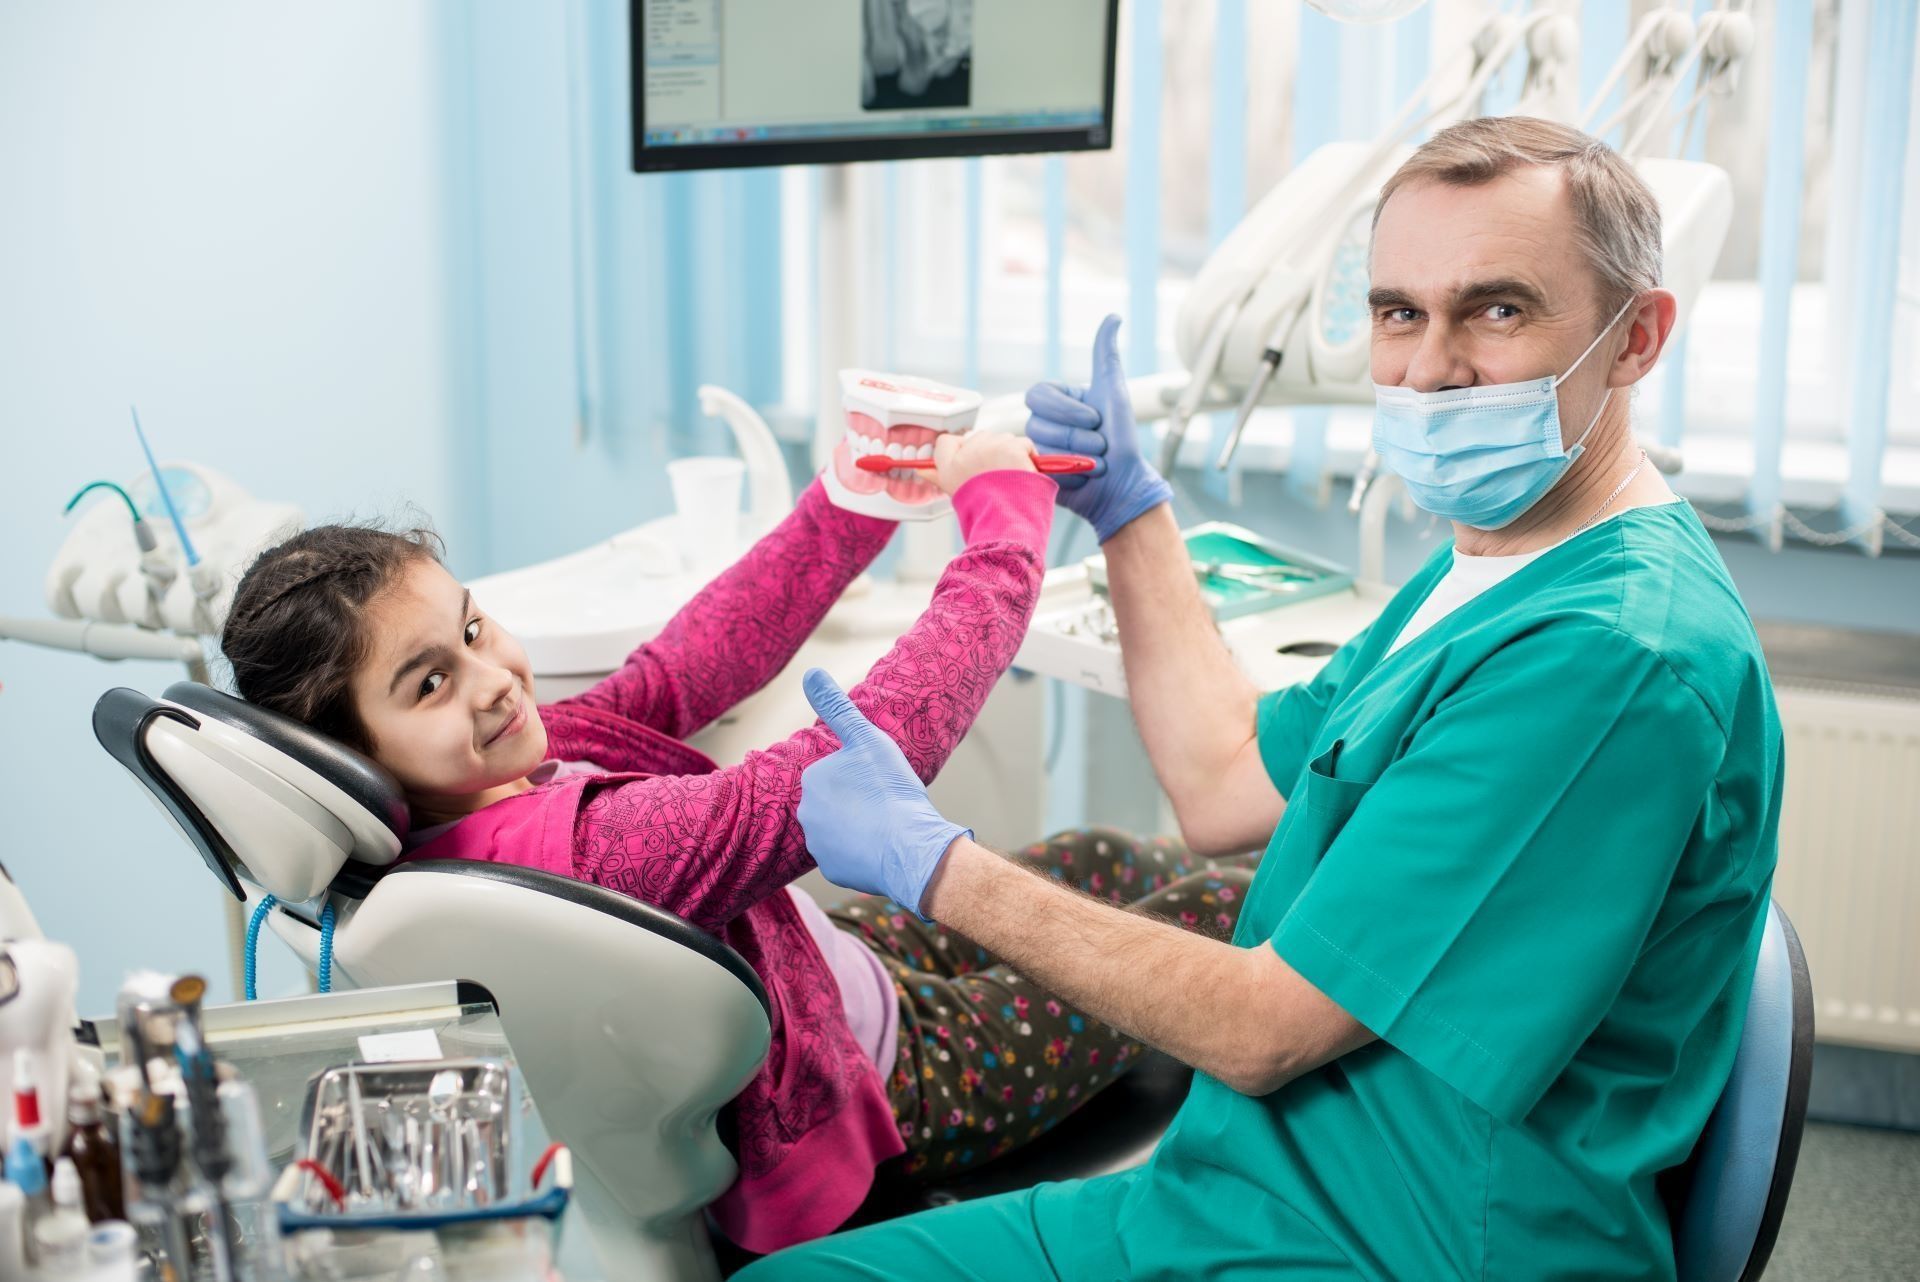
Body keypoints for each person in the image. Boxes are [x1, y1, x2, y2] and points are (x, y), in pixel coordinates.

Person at [750, 116, 1784, 1280]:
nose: (1432, 367)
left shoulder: (1610, 661)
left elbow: (1260, 1028)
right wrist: (1132, 513)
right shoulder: (1496, 560)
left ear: (1636, 336)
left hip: (1405, 1240)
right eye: (1401, 313)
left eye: (1495, 310)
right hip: (1258, 1184)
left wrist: (936, 865)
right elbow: (1224, 776)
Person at [219, 431, 1247, 1253]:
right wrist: (1004, 530)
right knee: (1215, 912)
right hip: (893, 1082)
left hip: (843, 978)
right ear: (356, 759)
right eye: (428, 682)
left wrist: (846, 504)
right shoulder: (593, 852)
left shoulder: (486, 790)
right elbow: (876, 744)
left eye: (474, 628)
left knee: (1107, 855)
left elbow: (685, 669)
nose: (490, 679)